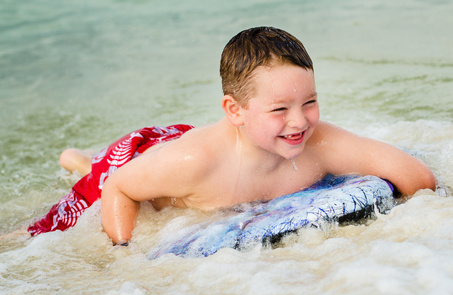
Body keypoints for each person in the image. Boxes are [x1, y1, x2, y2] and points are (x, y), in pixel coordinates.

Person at [28, 26, 437, 246]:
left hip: (200, 147)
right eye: (280, 109)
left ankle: (80, 158)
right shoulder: (195, 163)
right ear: (234, 110)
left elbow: (416, 176)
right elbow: (120, 187)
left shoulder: (320, 142)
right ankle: (79, 161)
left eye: (309, 101)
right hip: (146, 156)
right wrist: (122, 252)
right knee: (90, 183)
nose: (299, 122)